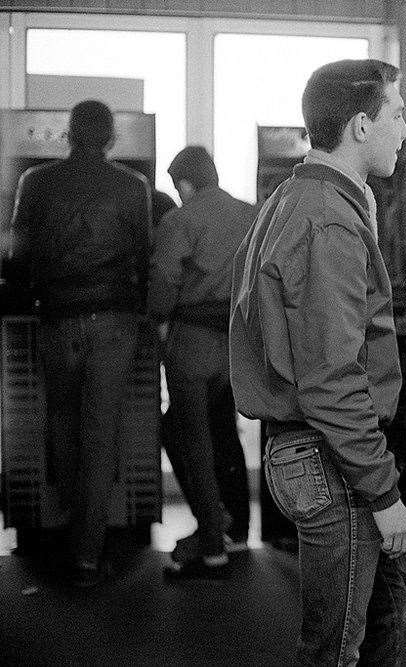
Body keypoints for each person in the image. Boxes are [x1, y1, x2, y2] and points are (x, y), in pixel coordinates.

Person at [230, 59, 406, 665]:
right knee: (336, 650)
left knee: (382, 622)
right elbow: (332, 381)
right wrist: (385, 495)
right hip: (329, 455)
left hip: (326, 452)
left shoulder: (301, 197)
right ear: (361, 127)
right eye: (397, 114)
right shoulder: (325, 218)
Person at [9, 99, 151, 588]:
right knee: (101, 435)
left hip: (56, 320)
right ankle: (87, 556)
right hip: (114, 322)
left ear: (68, 134)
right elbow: (144, 256)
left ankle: (64, 528)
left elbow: (18, 255)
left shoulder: (35, 183)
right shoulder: (133, 187)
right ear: (111, 138)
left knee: (63, 426)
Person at [148, 145, 255, 578]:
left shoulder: (180, 220)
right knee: (216, 432)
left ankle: (212, 541)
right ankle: (227, 528)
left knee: (189, 438)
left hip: (191, 345)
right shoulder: (252, 214)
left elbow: (162, 287)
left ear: (184, 183)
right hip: (235, 347)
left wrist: (158, 323)